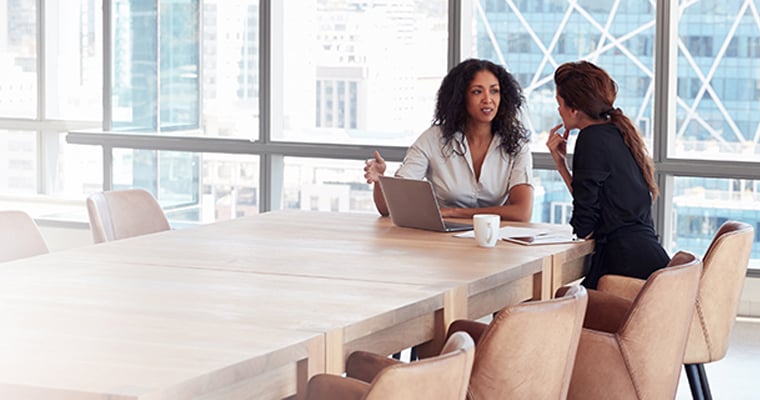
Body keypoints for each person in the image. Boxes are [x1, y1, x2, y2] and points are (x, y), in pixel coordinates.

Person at [546, 60, 670, 288]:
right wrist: (562, 165)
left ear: (574, 109)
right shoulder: (616, 132)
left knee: (553, 308)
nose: (558, 110)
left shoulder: (590, 139)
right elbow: (597, 206)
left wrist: (563, 167)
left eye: (559, 103)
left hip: (623, 269)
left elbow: (586, 226)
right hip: (648, 261)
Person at [364, 58, 534, 222]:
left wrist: (454, 212)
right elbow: (388, 207)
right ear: (460, 97)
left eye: (494, 91)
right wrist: (380, 181)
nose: (488, 99)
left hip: (494, 239)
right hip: (442, 239)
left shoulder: (517, 145)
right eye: (477, 91)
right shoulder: (432, 139)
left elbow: (522, 212)